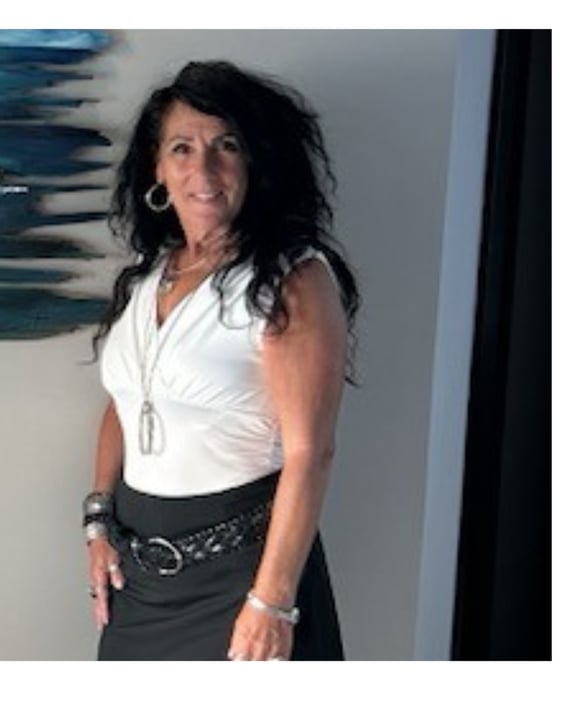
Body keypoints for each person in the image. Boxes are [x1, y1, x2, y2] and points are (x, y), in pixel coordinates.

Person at [82, 60, 359, 661]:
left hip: (244, 582)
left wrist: (272, 602)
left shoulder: (292, 278)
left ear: (256, 161)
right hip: (139, 583)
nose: (203, 170)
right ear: (157, 168)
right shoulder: (148, 277)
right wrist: (97, 521)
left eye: (226, 146)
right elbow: (124, 404)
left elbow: (311, 451)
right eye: (182, 148)